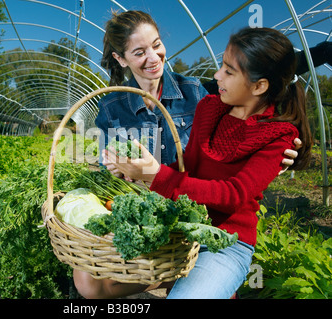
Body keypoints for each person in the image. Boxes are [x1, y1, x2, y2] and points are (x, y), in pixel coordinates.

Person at [73, 10, 302, 299]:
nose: (153, 58)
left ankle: (198, 281)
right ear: (121, 59)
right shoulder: (111, 107)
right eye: (140, 52)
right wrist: (122, 171)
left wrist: (278, 158)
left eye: (156, 45)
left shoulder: (197, 94)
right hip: (157, 217)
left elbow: (269, 74)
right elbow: (184, 165)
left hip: (213, 226)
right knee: (87, 280)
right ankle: (174, 278)